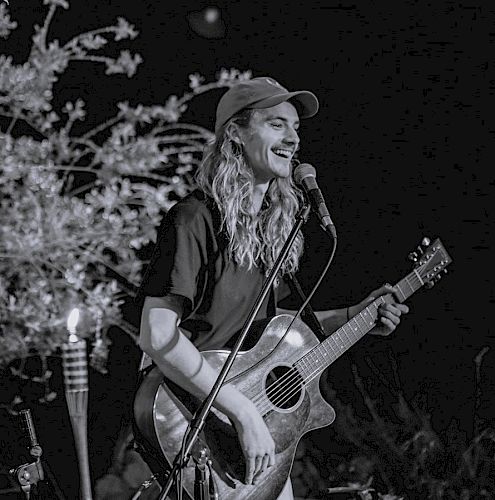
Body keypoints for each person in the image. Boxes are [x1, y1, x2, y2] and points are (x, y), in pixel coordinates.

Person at [137, 76, 409, 499]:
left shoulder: (271, 232)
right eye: (277, 124)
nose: (293, 137)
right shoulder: (193, 220)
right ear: (236, 134)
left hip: (252, 437)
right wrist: (242, 410)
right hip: (193, 420)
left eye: (296, 127)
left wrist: (357, 316)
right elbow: (157, 335)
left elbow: (276, 336)